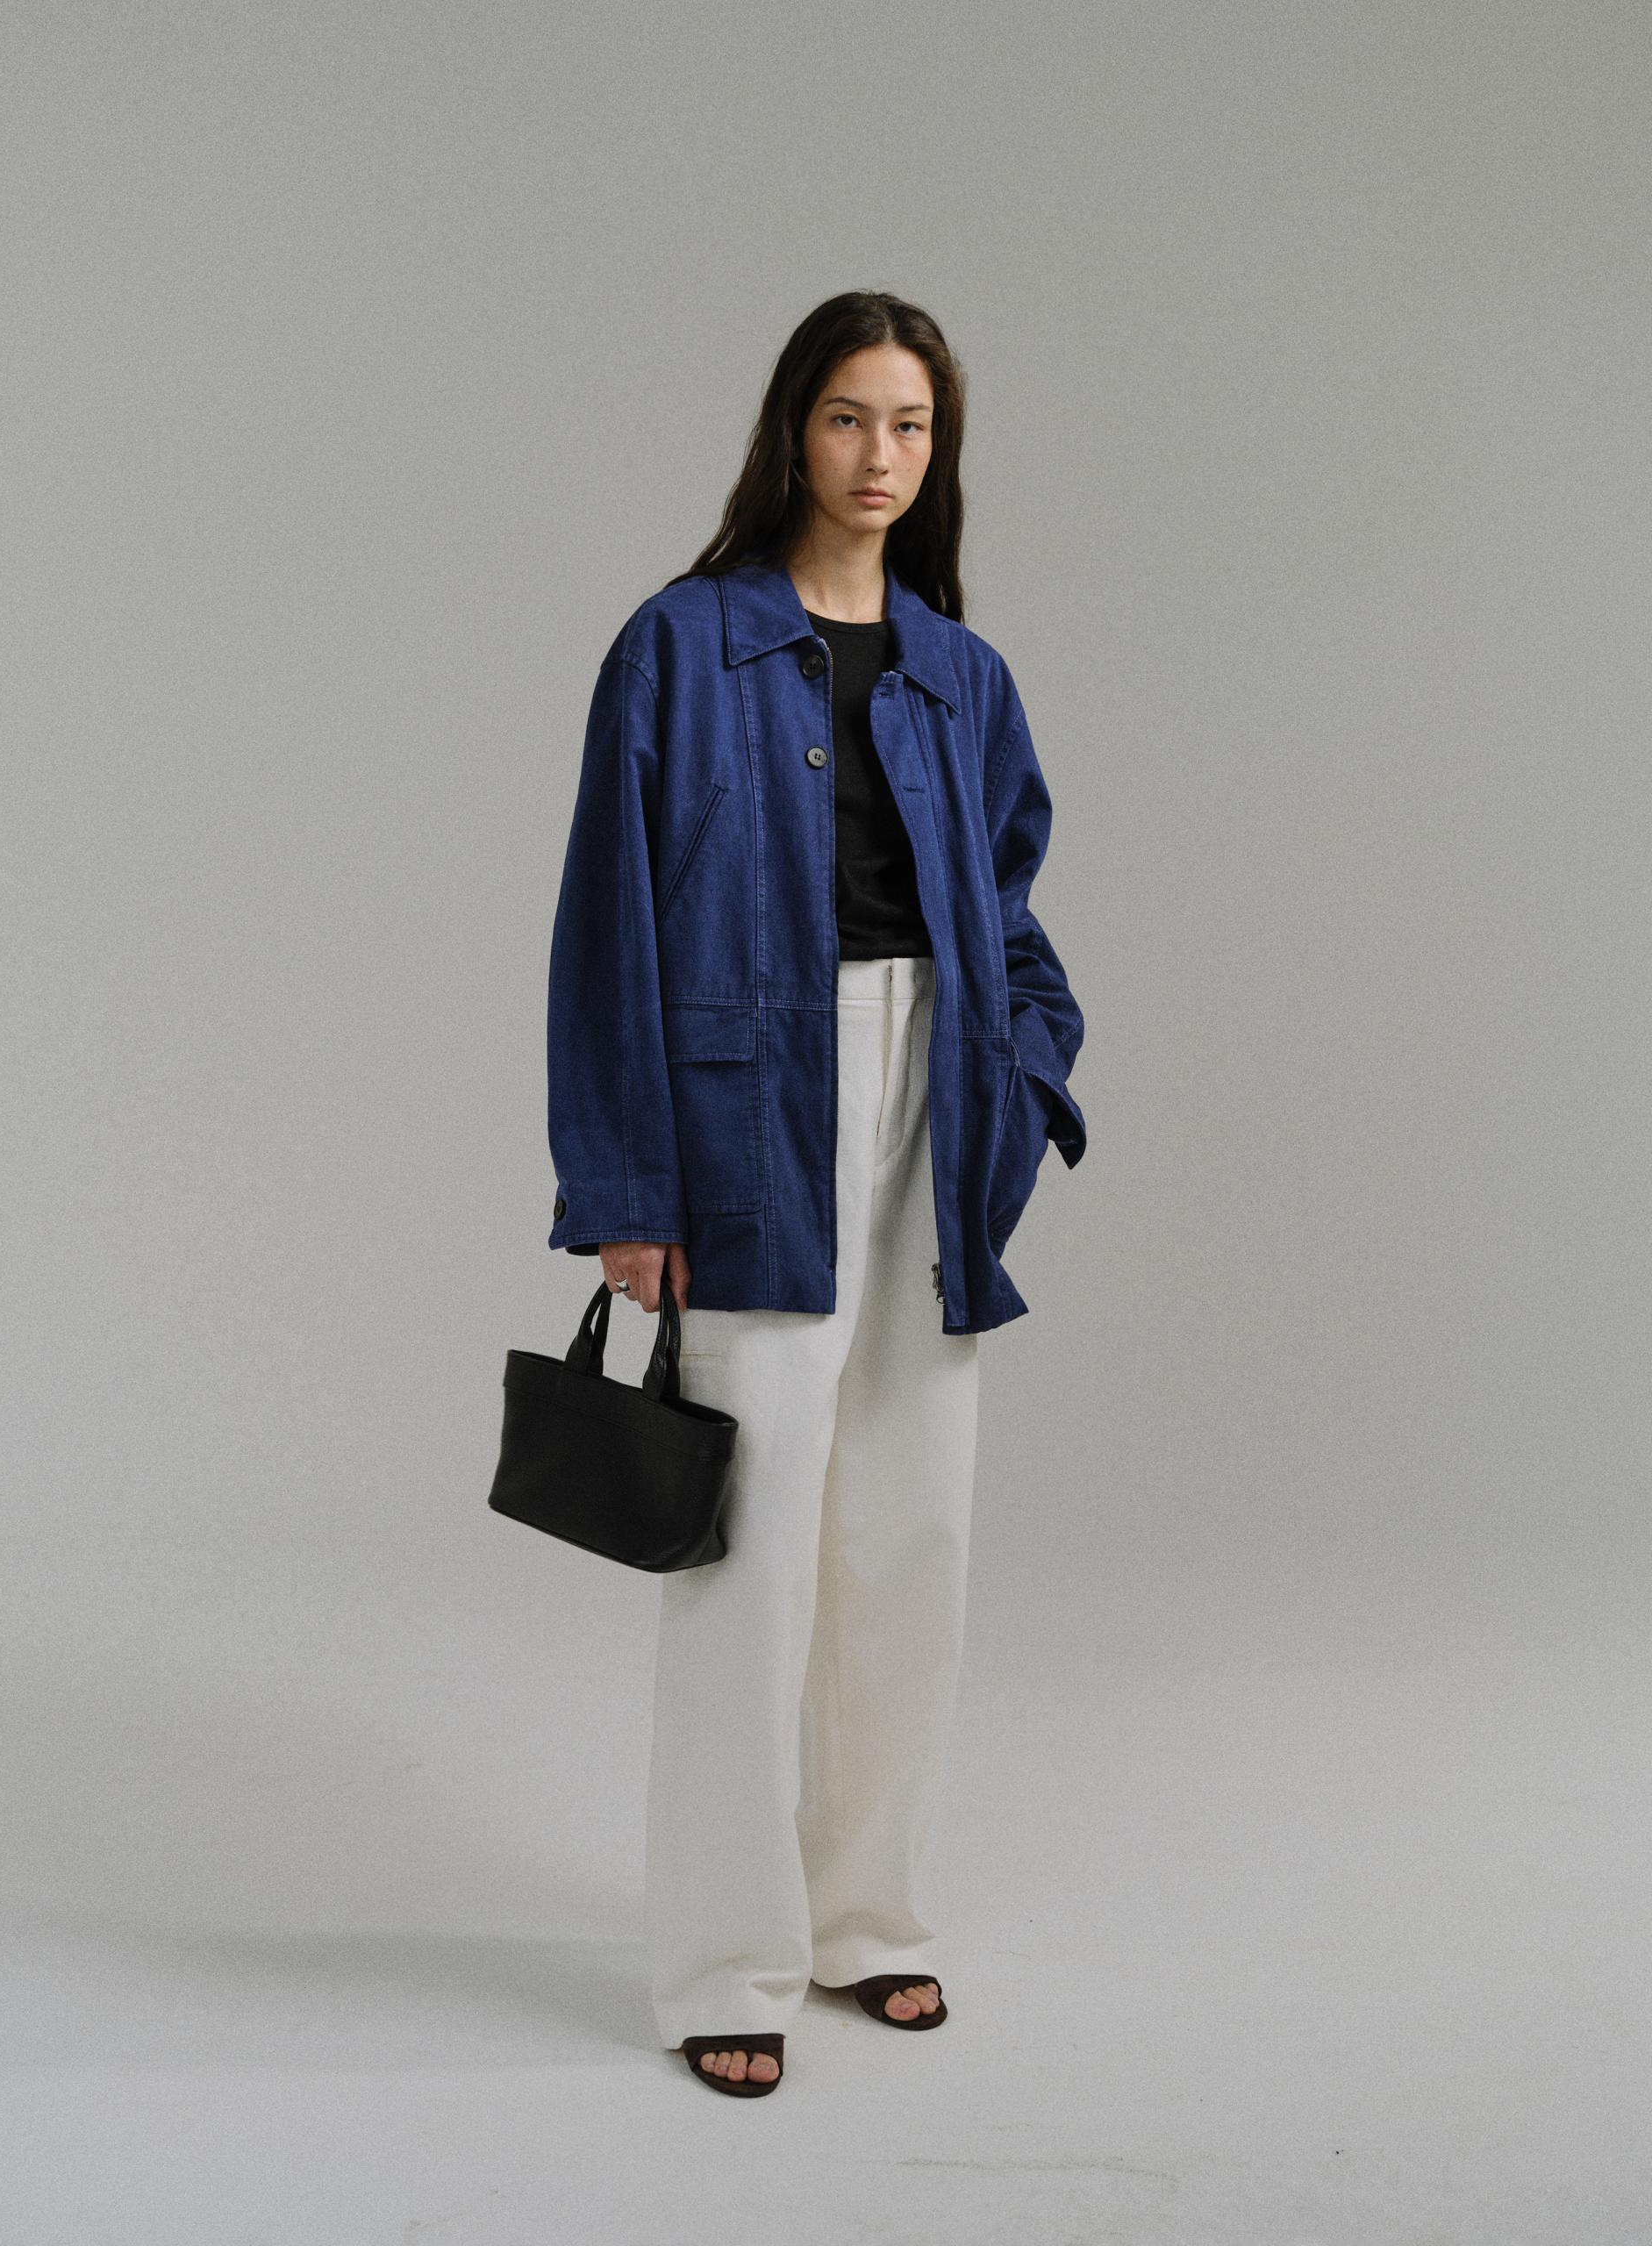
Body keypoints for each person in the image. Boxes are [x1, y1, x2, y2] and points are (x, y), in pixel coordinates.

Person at [544, 290, 1087, 2096]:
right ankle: (726, 1959)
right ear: (794, 429)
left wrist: (1032, 1062)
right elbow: (608, 926)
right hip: (748, 1112)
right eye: (851, 417)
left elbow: (1011, 904)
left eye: (912, 425)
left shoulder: (960, 671)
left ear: (941, 452)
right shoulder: (680, 644)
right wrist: (626, 1184)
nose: (880, 455)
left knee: (911, 1537)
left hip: (937, 1095)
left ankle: (870, 1919)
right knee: (754, 1545)